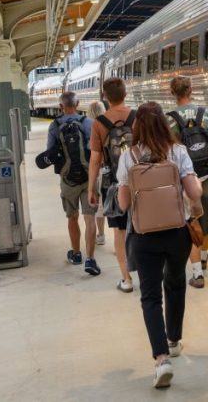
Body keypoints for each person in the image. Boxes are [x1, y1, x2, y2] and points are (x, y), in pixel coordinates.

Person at [116, 102, 203, 389]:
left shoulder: (128, 157)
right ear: (166, 126)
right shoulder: (178, 153)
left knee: (150, 297)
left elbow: (124, 203)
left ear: (137, 127)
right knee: (176, 282)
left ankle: (161, 359)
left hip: (144, 236)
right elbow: (194, 192)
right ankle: (174, 339)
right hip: (177, 233)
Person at [166, 75, 208, 289]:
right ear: (191, 90)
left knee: (190, 221)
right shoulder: (205, 115)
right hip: (206, 177)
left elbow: (168, 153)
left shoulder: (168, 119)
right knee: (206, 217)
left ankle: (197, 274)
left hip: (183, 178)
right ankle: (204, 257)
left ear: (172, 93)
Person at [87, 78, 136, 293]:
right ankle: (145, 271)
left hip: (114, 184)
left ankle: (126, 279)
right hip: (140, 181)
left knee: (119, 231)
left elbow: (95, 159)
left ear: (105, 97)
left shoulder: (99, 123)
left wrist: (91, 188)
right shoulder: (137, 118)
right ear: (125, 94)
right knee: (144, 228)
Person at [46, 91, 99, 276]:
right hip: (88, 177)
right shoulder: (89, 123)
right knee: (89, 218)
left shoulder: (54, 126)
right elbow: (96, 152)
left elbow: (50, 154)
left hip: (68, 179)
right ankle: (90, 259)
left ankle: (76, 254)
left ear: (61, 107)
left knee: (72, 217)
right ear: (77, 104)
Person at [86, 101, 107, 248]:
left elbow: (92, 155)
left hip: (95, 169)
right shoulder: (108, 125)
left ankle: (98, 234)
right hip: (108, 169)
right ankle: (103, 234)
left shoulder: (90, 126)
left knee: (97, 203)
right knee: (106, 203)